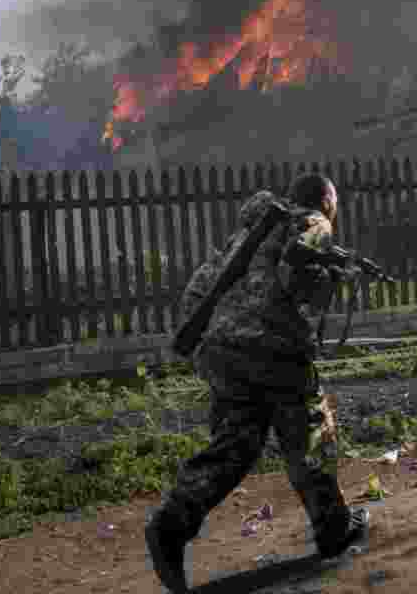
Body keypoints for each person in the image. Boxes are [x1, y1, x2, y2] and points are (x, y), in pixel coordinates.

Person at [145, 173, 370, 593]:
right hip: (273, 350)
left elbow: (205, 284)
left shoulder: (253, 228)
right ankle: (334, 529)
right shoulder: (314, 223)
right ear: (325, 201)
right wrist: (336, 276)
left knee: (236, 445)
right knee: (311, 434)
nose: (333, 212)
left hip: (220, 348)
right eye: (333, 204)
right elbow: (295, 280)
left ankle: (169, 527)